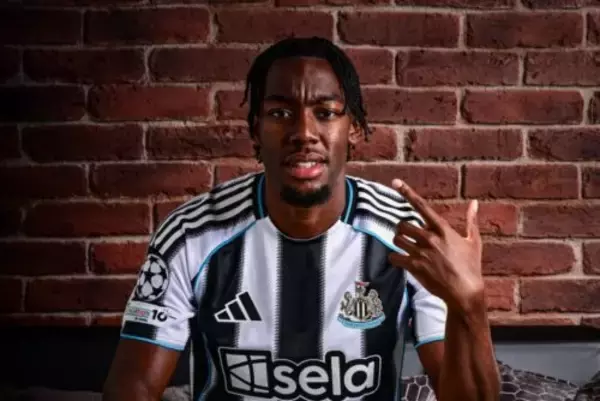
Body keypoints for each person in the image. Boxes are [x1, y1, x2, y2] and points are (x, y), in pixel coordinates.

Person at [103, 36, 501, 401]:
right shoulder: (191, 234)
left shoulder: (407, 236)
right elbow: (134, 387)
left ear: (354, 129)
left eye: (325, 112)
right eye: (279, 113)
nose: (303, 132)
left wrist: (470, 302)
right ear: (255, 130)